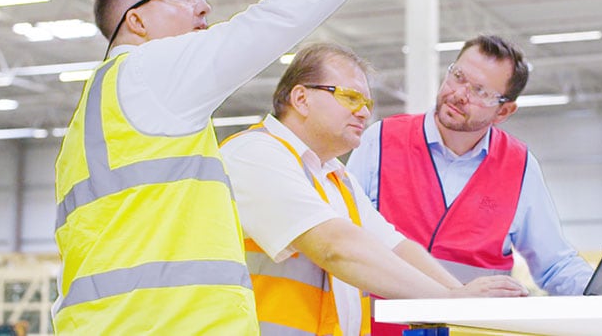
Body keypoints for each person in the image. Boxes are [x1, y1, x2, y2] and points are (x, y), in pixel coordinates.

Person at [52, 0, 413, 334]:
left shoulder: (92, 120)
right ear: (136, 21)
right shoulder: (147, 72)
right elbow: (277, 18)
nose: (204, 6)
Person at [219, 42, 529, 336]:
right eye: (350, 98)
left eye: (366, 103)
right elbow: (334, 246)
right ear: (301, 99)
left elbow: (395, 247)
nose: (365, 113)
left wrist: (458, 296)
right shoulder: (254, 154)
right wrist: (448, 298)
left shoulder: (336, 177)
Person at [347, 35, 594, 299]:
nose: (459, 94)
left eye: (479, 91)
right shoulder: (381, 140)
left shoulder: (519, 166)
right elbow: (346, 235)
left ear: (504, 112)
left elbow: (555, 265)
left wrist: (601, 295)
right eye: (458, 76)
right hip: (383, 324)